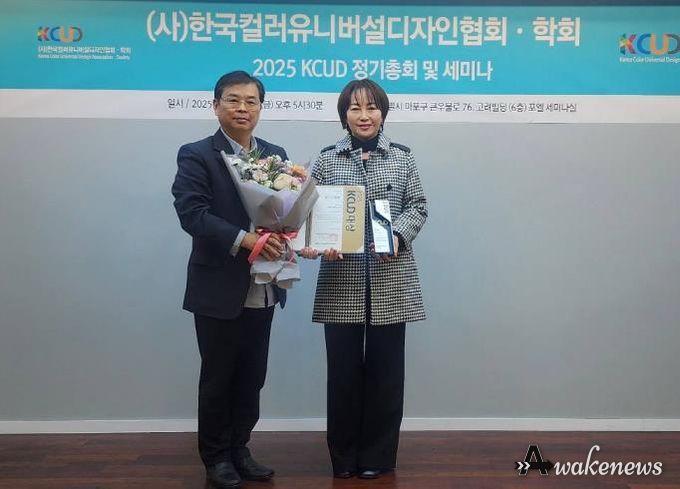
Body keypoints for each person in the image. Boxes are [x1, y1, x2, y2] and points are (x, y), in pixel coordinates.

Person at [301, 79, 428, 479]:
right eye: (355, 108)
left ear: (383, 113)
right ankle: (343, 458)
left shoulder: (402, 157)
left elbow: (418, 206)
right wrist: (319, 243)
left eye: (371, 107)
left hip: (391, 278)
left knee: (386, 375)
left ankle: (377, 457)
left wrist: (397, 234)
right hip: (342, 279)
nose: (364, 115)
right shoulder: (326, 160)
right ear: (344, 115)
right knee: (342, 375)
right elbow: (309, 212)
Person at [172, 70, 287, 489]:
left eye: (251, 101)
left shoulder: (274, 155)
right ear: (216, 105)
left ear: (260, 107)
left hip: (264, 283)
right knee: (219, 376)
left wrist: (290, 235)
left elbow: (284, 211)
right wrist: (246, 240)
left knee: (252, 376)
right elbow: (193, 214)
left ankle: (241, 448)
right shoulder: (197, 155)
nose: (243, 108)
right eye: (233, 100)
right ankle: (217, 458)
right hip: (219, 286)